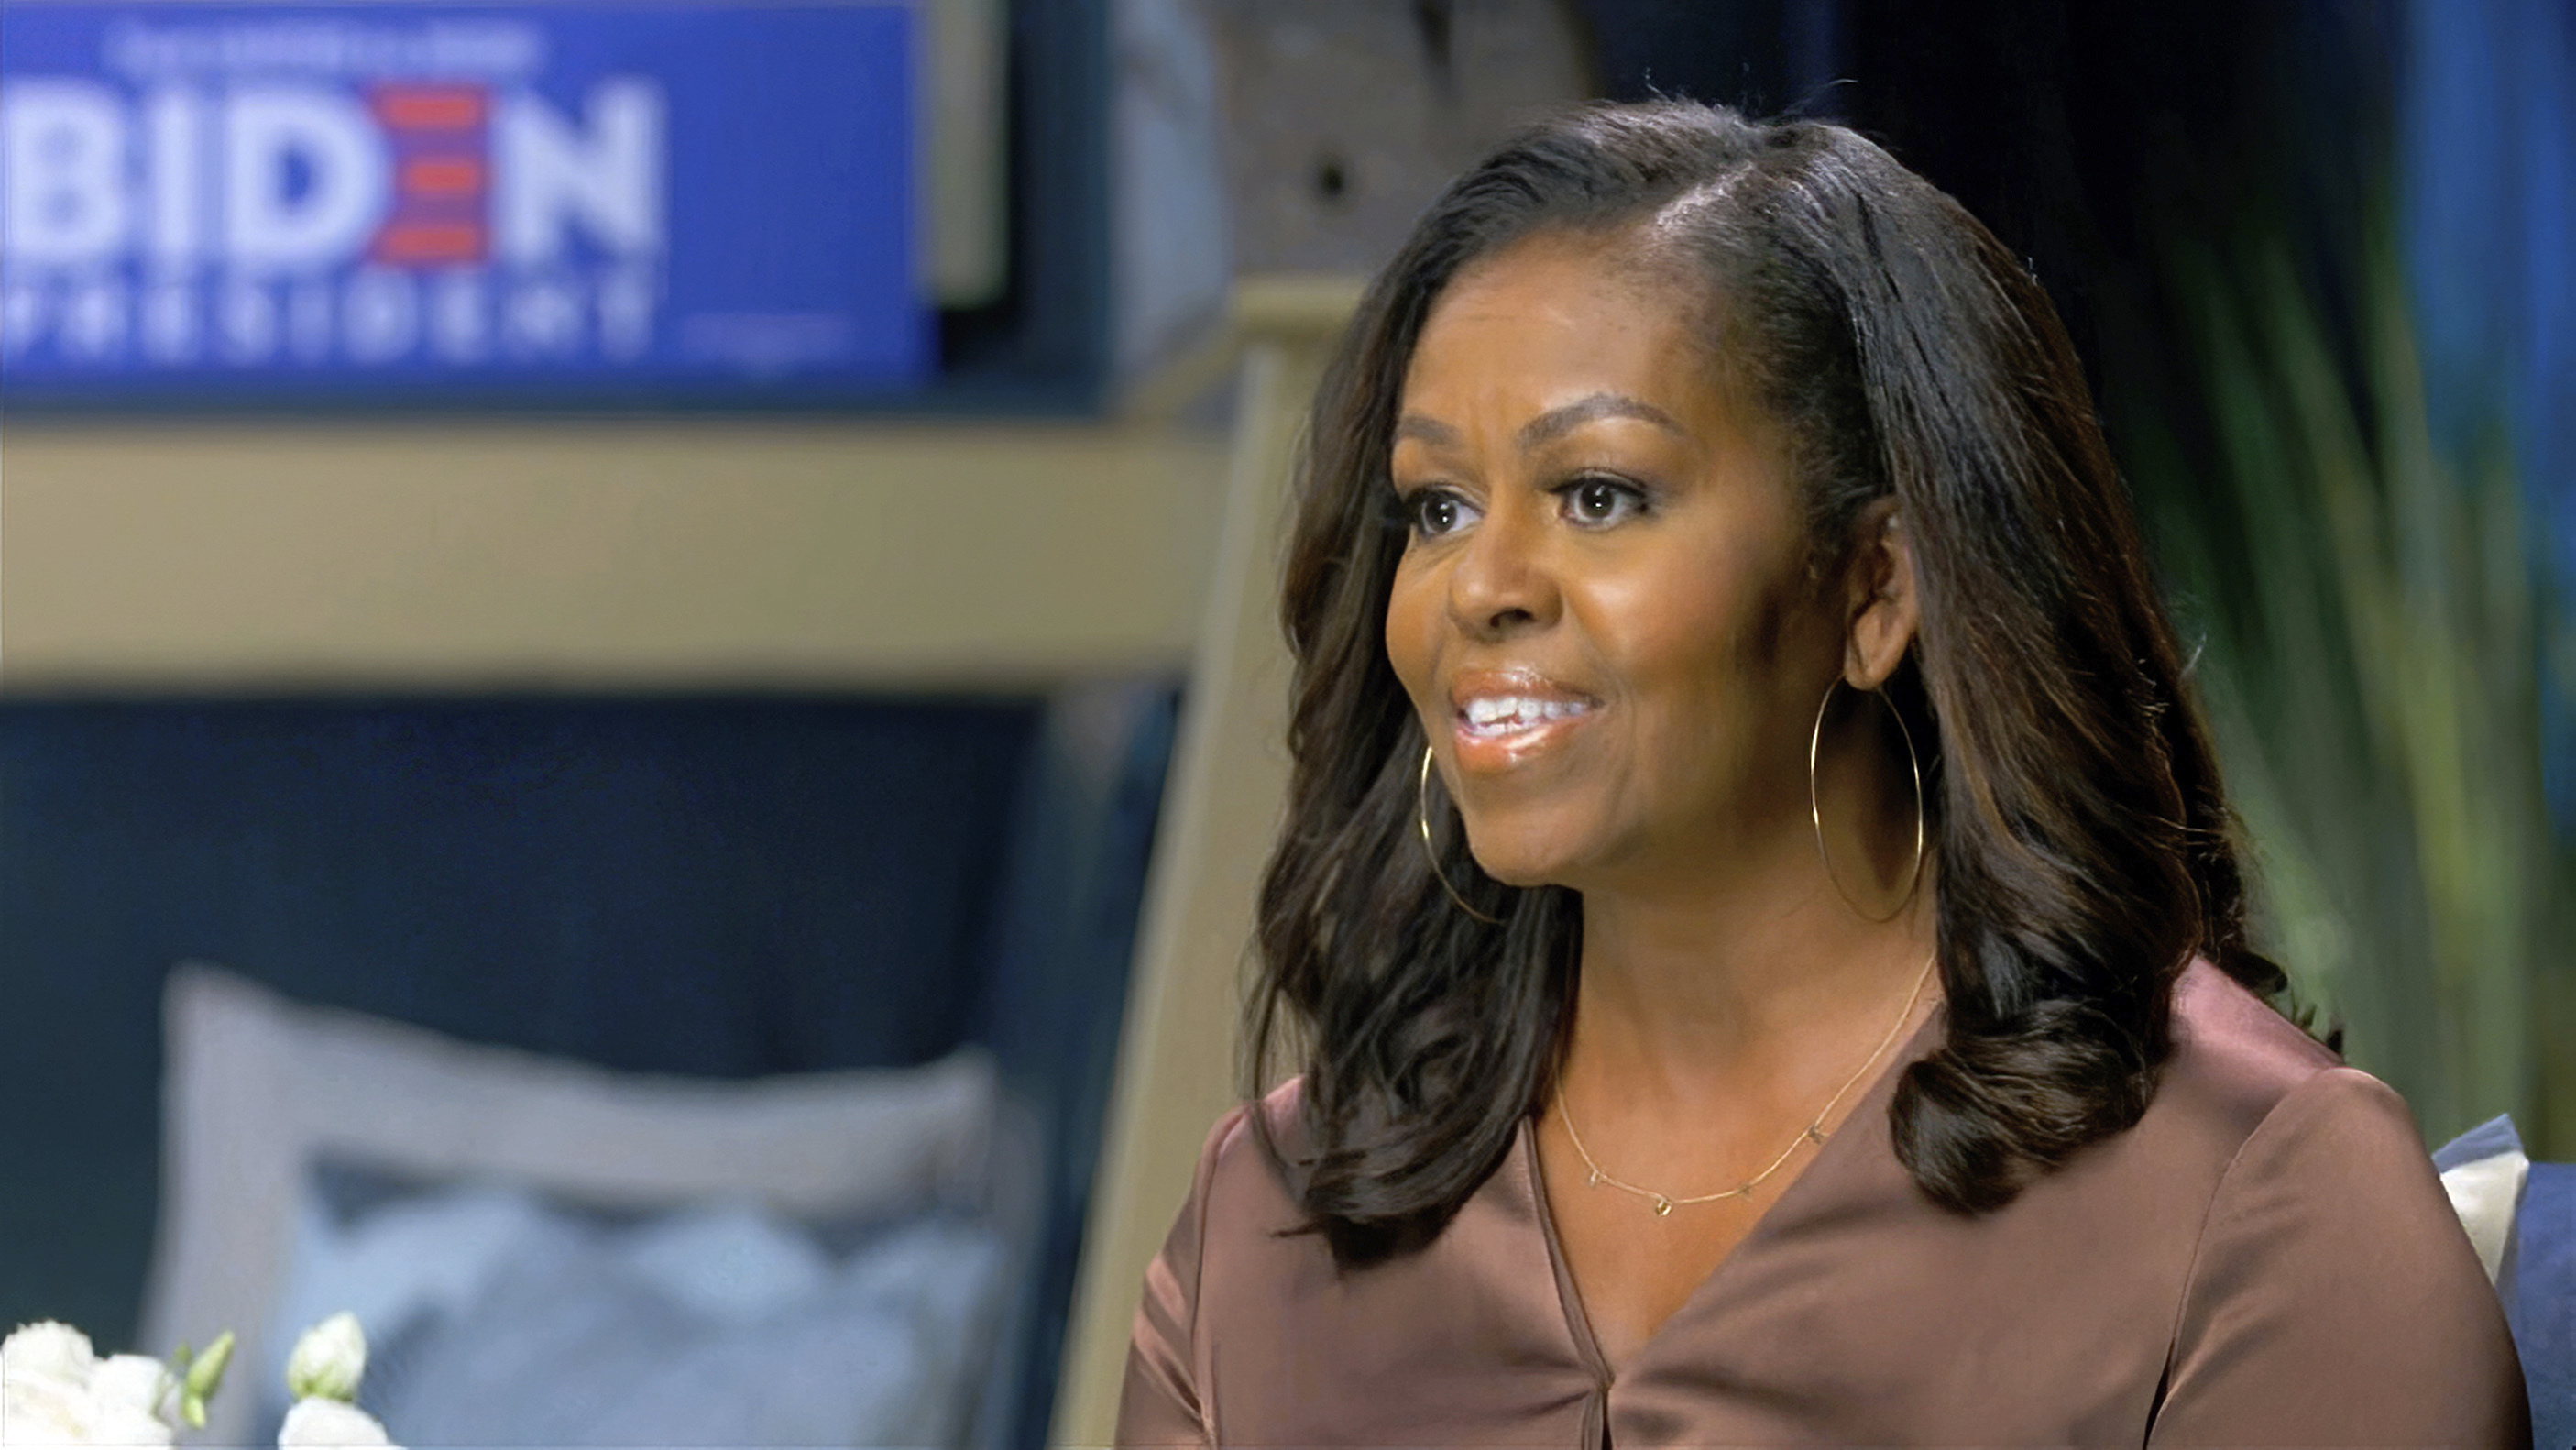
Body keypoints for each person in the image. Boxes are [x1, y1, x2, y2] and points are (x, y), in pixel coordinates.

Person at [1117, 101, 2527, 1446]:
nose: (1478, 586)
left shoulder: (2253, 1201)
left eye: (1599, 494)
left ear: (1872, 590)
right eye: (1439, 505)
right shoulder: (1270, 1225)